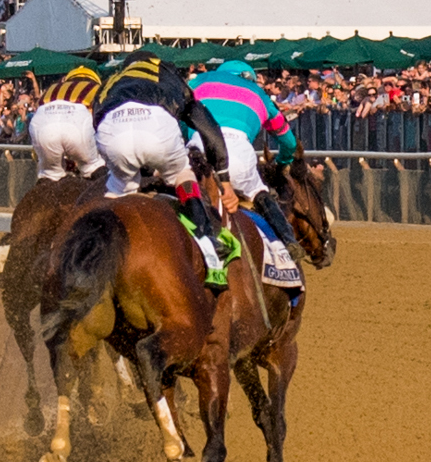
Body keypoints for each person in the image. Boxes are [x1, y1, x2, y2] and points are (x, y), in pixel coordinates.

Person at [89, 54, 239, 288]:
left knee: (117, 191)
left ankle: (95, 242)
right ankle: (208, 240)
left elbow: (99, 127)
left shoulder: (112, 80)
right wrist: (225, 180)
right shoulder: (170, 77)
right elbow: (209, 130)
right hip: (157, 124)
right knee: (182, 174)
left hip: (112, 128)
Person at [191, 58, 302, 261]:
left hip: (199, 147)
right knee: (259, 192)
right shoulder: (259, 94)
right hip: (239, 154)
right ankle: (288, 241)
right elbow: (289, 142)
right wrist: (282, 165)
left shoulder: (199, 81)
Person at [27, 62, 108, 182]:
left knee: (49, 174)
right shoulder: (97, 89)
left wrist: (39, 155)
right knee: (93, 166)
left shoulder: (52, 89)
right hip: (78, 124)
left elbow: (38, 121)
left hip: (45, 124)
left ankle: (40, 193)